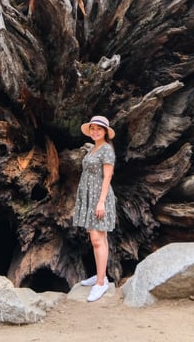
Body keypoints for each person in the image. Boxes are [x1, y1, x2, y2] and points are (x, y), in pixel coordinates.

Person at [72, 115, 117, 302]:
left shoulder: (106, 149)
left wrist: (100, 202)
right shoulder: (93, 149)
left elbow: (107, 176)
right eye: (93, 128)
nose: (95, 131)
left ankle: (100, 283)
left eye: (99, 129)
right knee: (99, 238)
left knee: (97, 239)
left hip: (100, 196)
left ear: (105, 132)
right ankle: (101, 276)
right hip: (89, 196)